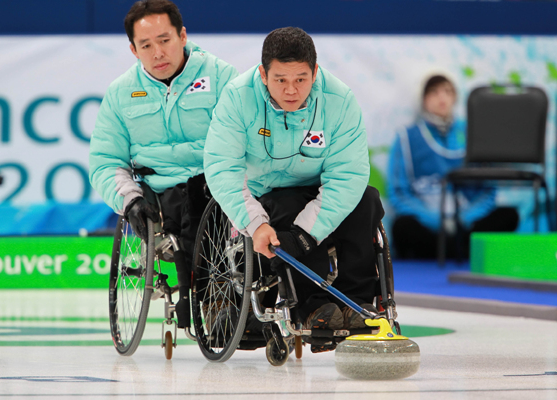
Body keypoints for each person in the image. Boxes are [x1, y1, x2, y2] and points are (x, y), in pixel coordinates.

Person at [204, 27, 384, 353]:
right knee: (285, 205)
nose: (291, 90)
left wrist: (304, 234)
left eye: (301, 79)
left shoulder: (339, 100)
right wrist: (255, 224)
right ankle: (312, 307)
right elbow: (222, 168)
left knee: (367, 201)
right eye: (280, 80)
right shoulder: (237, 98)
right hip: (266, 192)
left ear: (315, 72)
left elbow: (349, 174)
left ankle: (357, 303)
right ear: (263, 75)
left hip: (321, 188)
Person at [89, 0, 238, 329]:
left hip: (216, 186)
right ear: (133, 50)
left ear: (182, 36)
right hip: (160, 194)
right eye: (146, 45)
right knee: (183, 209)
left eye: (165, 40)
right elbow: (105, 162)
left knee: (209, 202)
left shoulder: (223, 77)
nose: (158, 53)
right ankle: (213, 302)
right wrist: (130, 200)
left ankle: (234, 304)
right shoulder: (120, 93)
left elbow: (245, 143)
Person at [387, 73, 519, 259]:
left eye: (448, 92)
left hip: (466, 220)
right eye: (434, 92)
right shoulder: (406, 137)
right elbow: (399, 193)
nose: (442, 98)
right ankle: (459, 250)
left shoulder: (473, 133)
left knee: (508, 216)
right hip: (428, 220)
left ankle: (447, 249)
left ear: (455, 97)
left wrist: (465, 218)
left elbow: (488, 191)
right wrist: (434, 219)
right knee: (402, 226)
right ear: (423, 99)